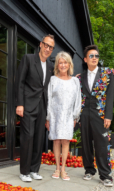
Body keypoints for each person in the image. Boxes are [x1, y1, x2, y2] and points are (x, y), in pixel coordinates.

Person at [15, 34, 55, 182]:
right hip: (27, 106)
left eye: (51, 47)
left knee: (39, 139)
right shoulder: (28, 59)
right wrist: (20, 104)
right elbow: (20, 82)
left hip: (42, 107)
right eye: (46, 45)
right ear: (40, 44)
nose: (48, 48)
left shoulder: (51, 67)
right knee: (28, 138)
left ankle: (34, 169)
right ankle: (24, 172)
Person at [77, 45, 114, 187]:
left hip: (100, 115)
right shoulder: (80, 77)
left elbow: (110, 96)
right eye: (91, 56)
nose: (95, 58)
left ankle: (105, 175)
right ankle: (89, 170)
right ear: (85, 59)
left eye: (97, 56)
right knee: (86, 144)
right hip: (84, 113)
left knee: (102, 144)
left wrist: (108, 116)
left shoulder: (107, 74)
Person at [46, 52, 81, 180]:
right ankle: (56, 168)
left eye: (65, 62)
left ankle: (63, 169)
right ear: (57, 65)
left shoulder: (75, 81)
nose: (63, 65)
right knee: (56, 140)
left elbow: (78, 100)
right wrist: (48, 118)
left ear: (69, 64)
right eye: (60, 62)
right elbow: (49, 99)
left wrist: (75, 117)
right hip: (55, 115)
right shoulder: (53, 80)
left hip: (68, 115)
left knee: (66, 141)